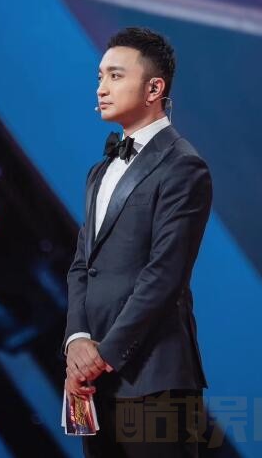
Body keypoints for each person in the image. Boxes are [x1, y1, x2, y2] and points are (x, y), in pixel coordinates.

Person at [63, 27, 213, 457]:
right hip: (92, 382)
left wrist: (104, 354)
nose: (101, 88)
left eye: (115, 76)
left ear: (154, 89)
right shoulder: (99, 172)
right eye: (100, 77)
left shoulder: (183, 166)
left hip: (154, 376)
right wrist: (77, 341)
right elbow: (82, 265)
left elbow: (165, 275)